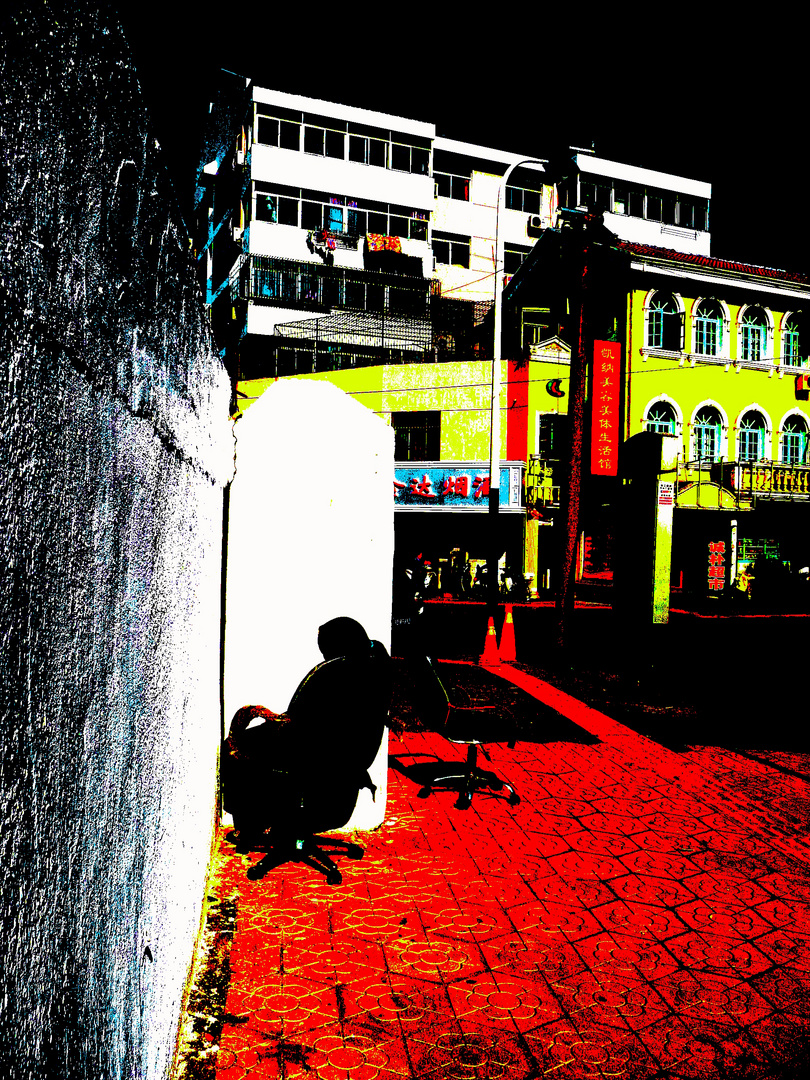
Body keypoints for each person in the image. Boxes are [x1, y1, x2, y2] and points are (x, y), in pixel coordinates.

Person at [222, 617, 391, 841]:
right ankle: (266, 824)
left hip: (321, 760)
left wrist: (270, 722)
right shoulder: (372, 662)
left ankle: (251, 827)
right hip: (346, 761)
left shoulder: (338, 672)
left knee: (238, 746)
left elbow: (298, 722)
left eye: (326, 648)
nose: (323, 655)